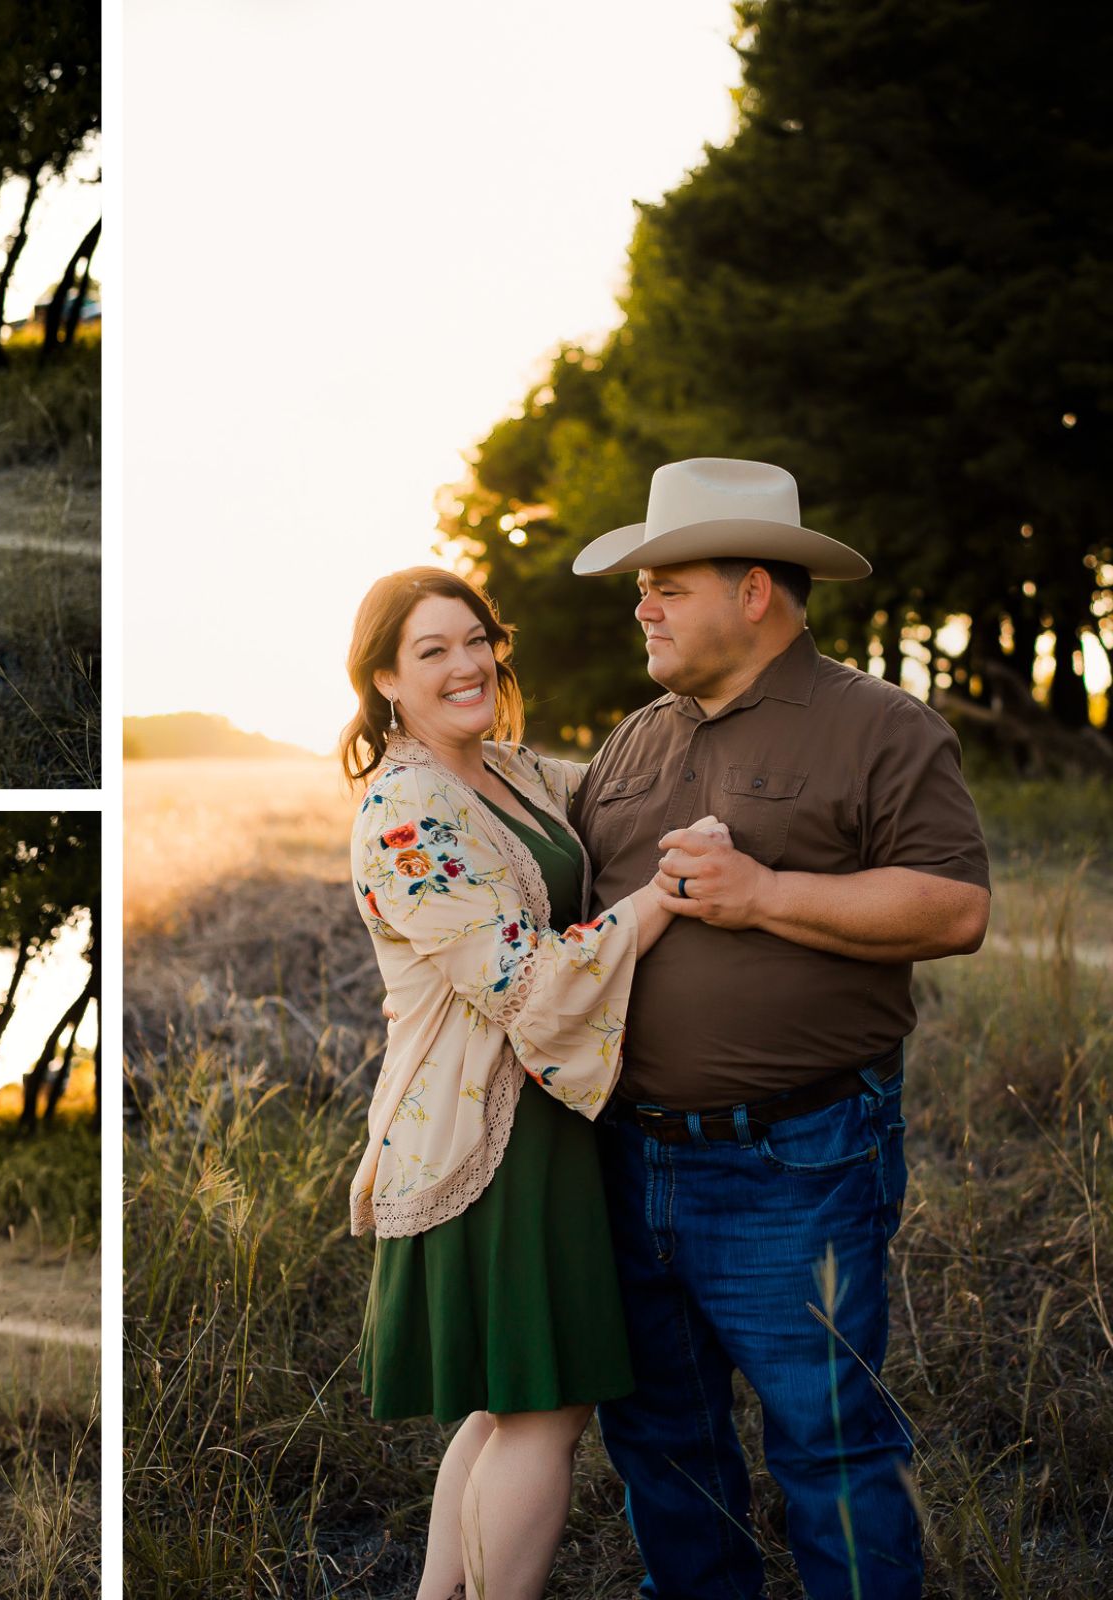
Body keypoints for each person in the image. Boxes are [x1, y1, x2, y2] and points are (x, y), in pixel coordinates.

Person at [567, 457, 991, 1599]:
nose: (641, 606)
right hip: (623, 1155)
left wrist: (761, 893)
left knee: (829, 1446)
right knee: (660, 1442)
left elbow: (953, 908)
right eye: (637, 586)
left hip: (793, 1161)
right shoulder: (630, 742)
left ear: (753, 590)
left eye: (665, 583)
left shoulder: (878, 727)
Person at [343, 566, 698, 1600]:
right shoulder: (403, 808)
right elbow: (524, 979)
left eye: (474, 639)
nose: (465, 666)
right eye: (430, 651)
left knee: (509, 1405)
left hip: (542, 1122)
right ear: (383, 680)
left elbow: (626, 791)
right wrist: (661, 899)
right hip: (481, 1136)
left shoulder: (508, 771)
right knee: (542, 1412)